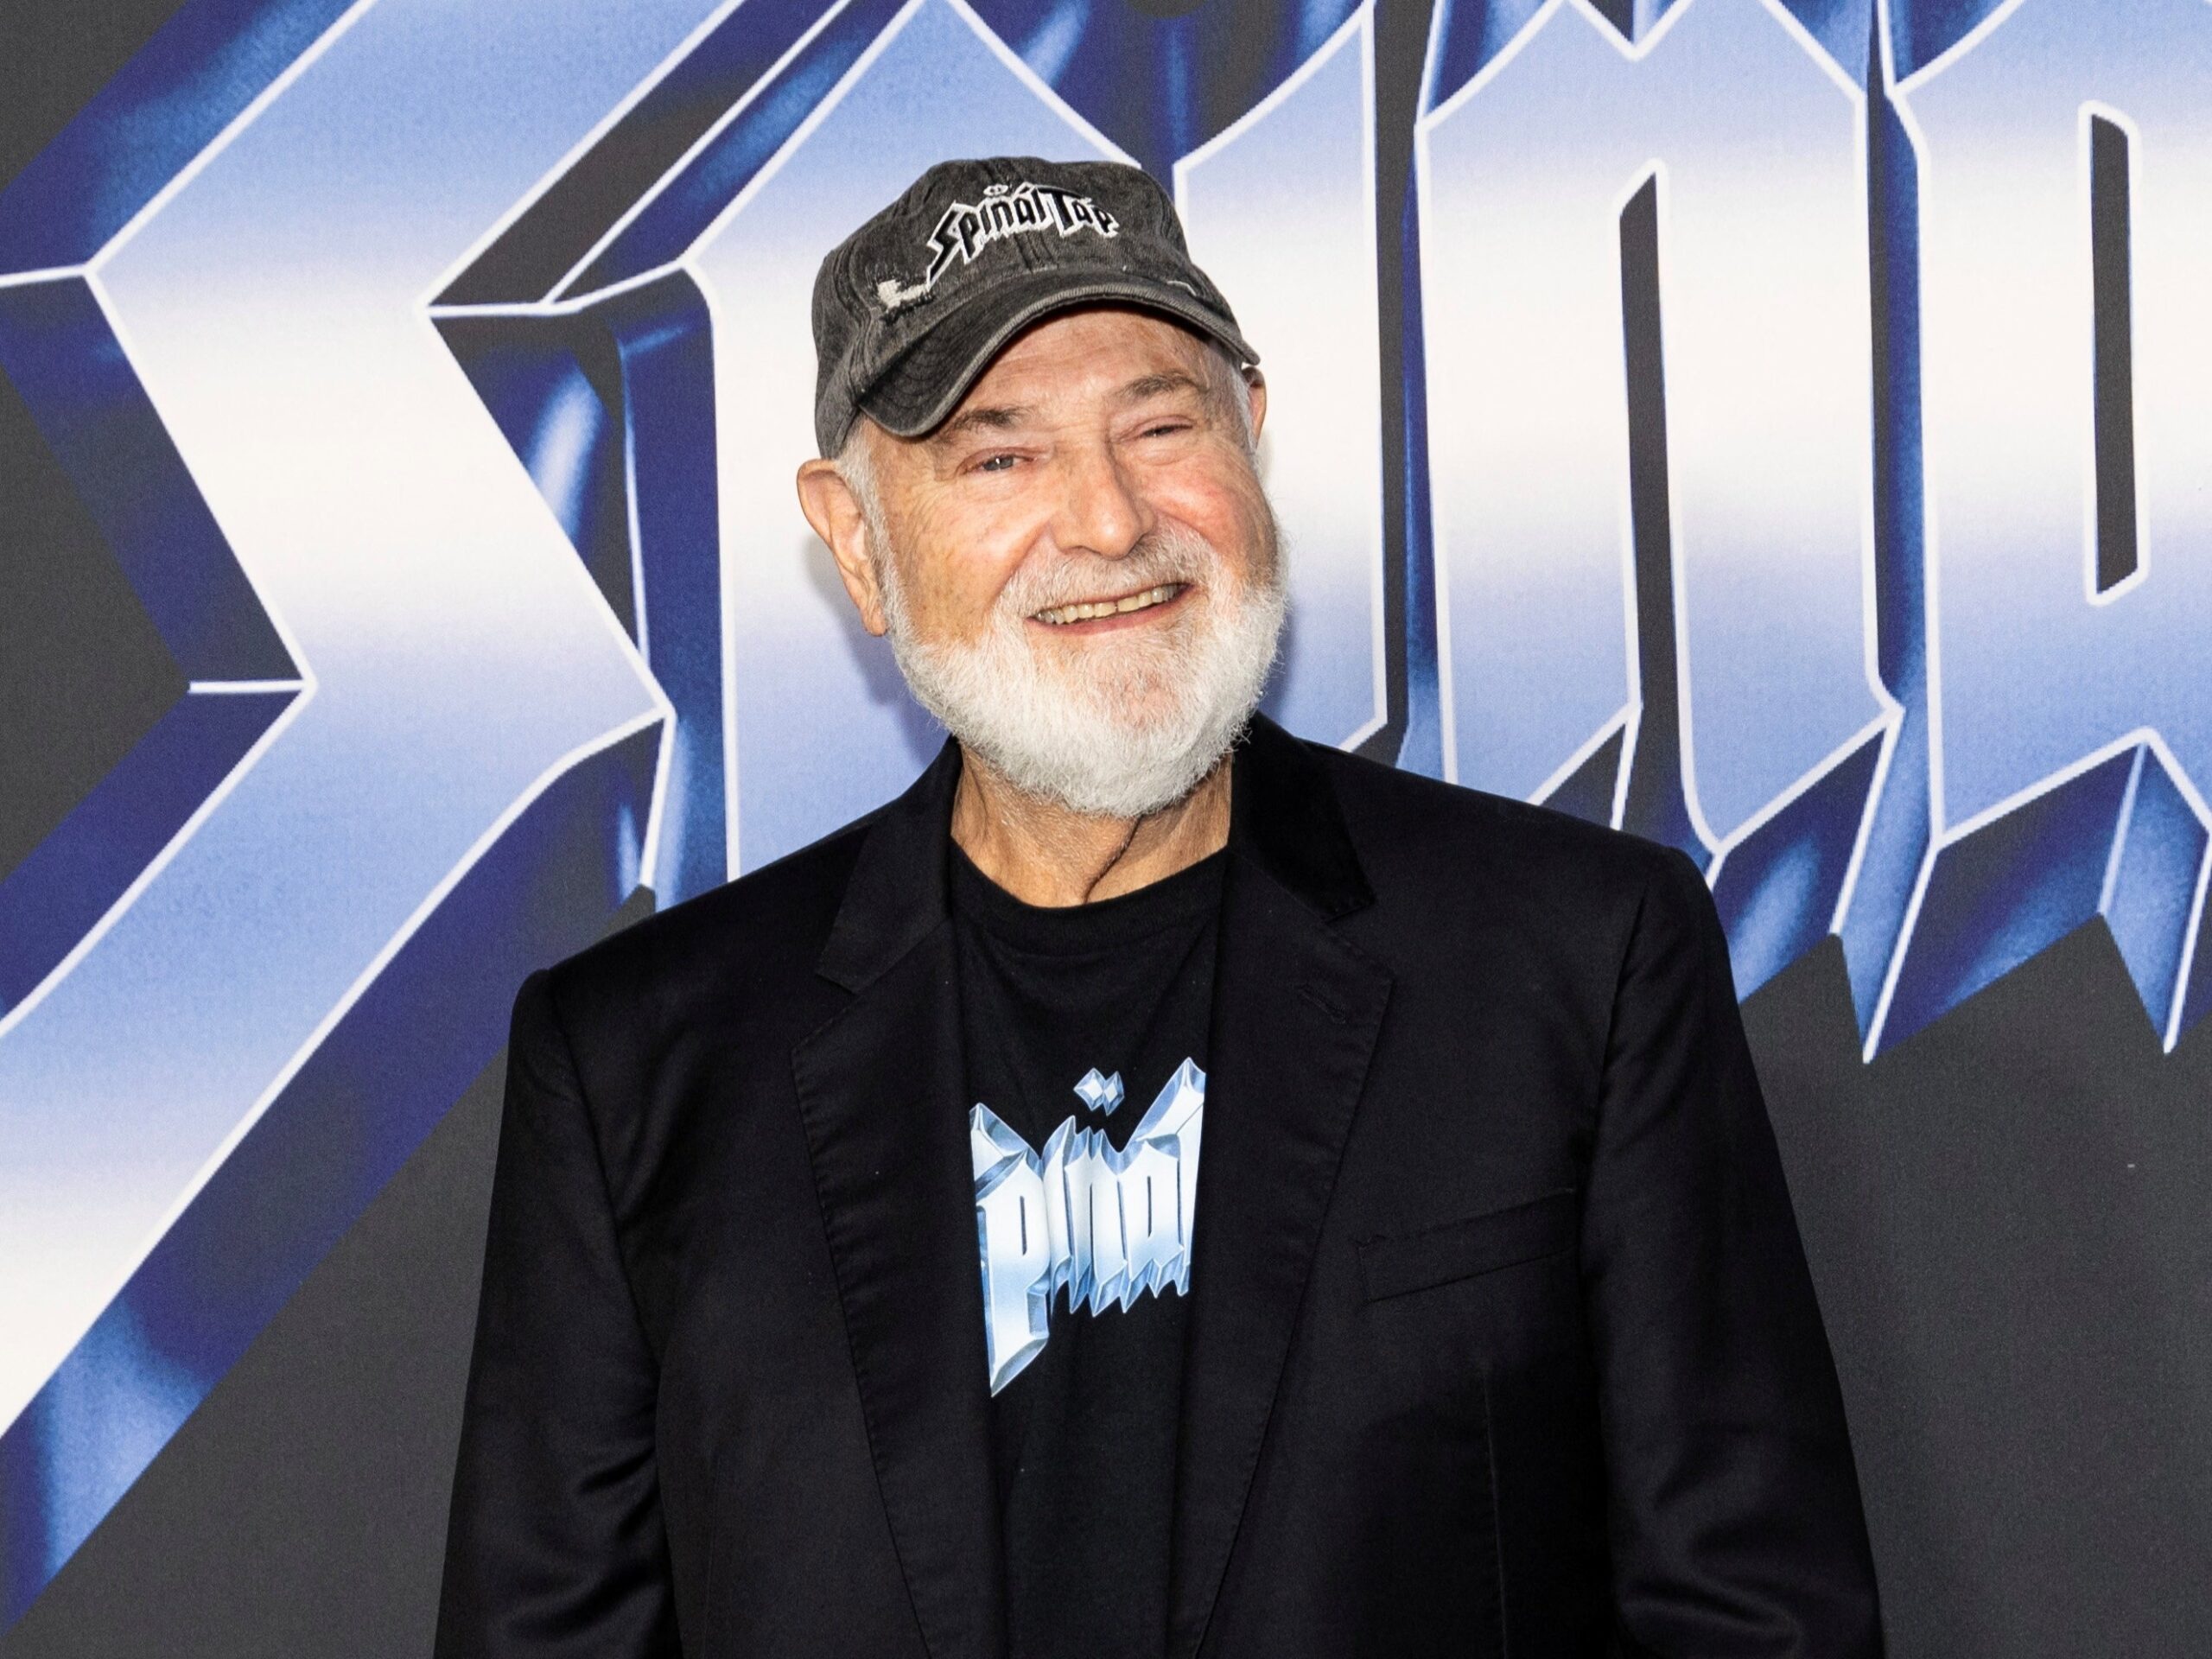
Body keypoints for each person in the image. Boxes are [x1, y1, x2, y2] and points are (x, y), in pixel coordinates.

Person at [435, 156, 1882, 1658]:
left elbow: (1756, 1617)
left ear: (1250, 435)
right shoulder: (640, 1069)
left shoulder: (1577, 962)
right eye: (1000, 457)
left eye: (1160, 425)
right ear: (858, 541)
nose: (1111, 523)